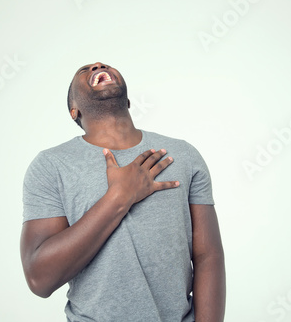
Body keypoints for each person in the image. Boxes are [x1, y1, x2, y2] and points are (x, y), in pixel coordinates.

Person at [20, 62, 225, 322]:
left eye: (103, 65)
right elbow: (39, 278)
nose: (98, 65)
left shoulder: (183, 154)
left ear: (127, 101)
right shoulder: (51, 165)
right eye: (84, 70)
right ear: (74, 111)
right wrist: (119, 197)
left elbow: (208, 255)